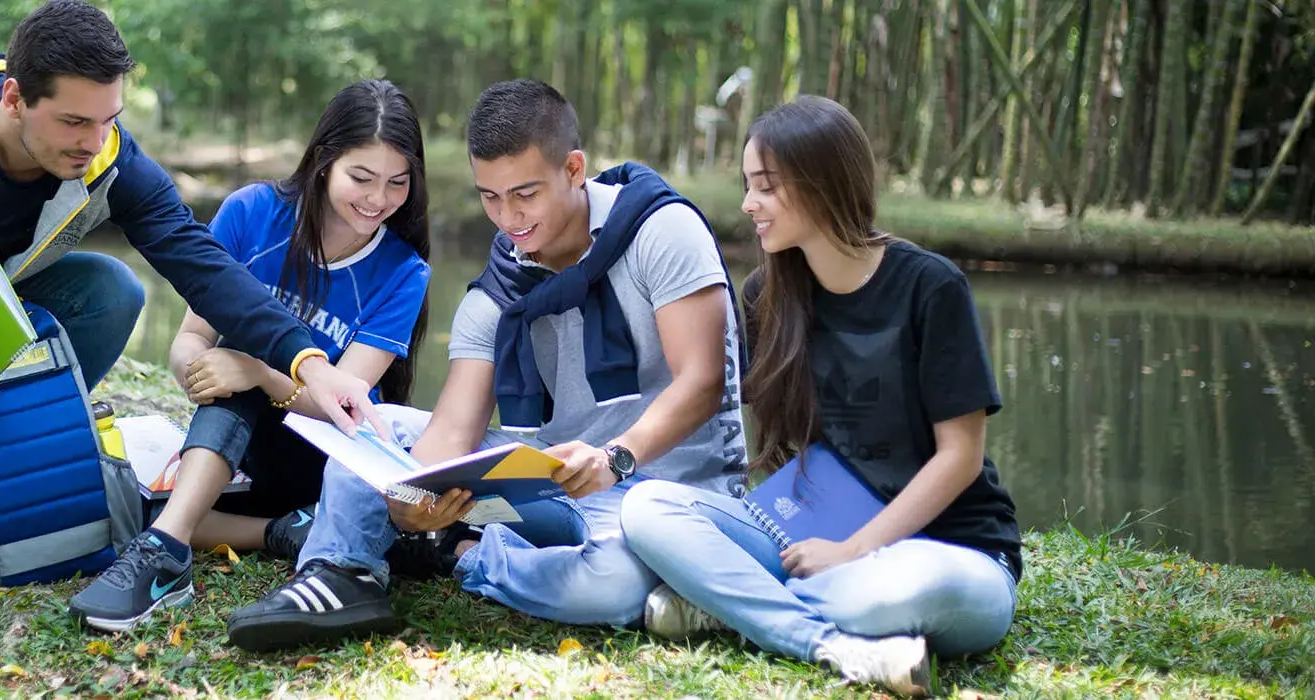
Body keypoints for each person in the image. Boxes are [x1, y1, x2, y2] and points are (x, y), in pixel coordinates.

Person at [0, 0, 388, 601]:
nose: (93, 141)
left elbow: (204, 267)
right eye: (73, 121)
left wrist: (308, 363)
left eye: (108, 118)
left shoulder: (106, 156)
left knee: (111, 290)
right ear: (14, 97)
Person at [224, 79, 749, 651]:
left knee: (612, 587)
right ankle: (339, 573)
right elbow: (452, 430)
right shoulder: (498, 289)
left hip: (666, 497)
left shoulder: (660, 230)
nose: (508, 218)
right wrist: (408, 504)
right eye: (490, 196)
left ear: (574, 169)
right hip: (554, 488)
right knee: (371, 425)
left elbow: (702, 382)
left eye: (525, 193)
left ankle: (459, 554)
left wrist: (614, 458)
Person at [617, 95, 1022, 697]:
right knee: (647, 509)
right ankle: (817, 634)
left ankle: (727, 605)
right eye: (748, 185)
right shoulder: (766, 296)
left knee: (906, 590)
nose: (749, 204)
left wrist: (855, 550)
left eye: (767, 187)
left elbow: (959, 457)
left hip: (950, 552)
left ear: (822, 183)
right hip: (821, 540)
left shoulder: (929, 287)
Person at [67, 79, 436, 632]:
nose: (377, 199)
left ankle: (167, 553)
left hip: (332, 458)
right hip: (246, 449)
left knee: (241, 365)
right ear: (323, 163)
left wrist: (255, 371)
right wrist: (200, 372)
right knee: (135, 510)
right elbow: (190, 341)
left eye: (397, 183)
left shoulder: (404, 272)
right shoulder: (253, 214)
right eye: (361, 177)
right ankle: (274, 531)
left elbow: (346, 406)